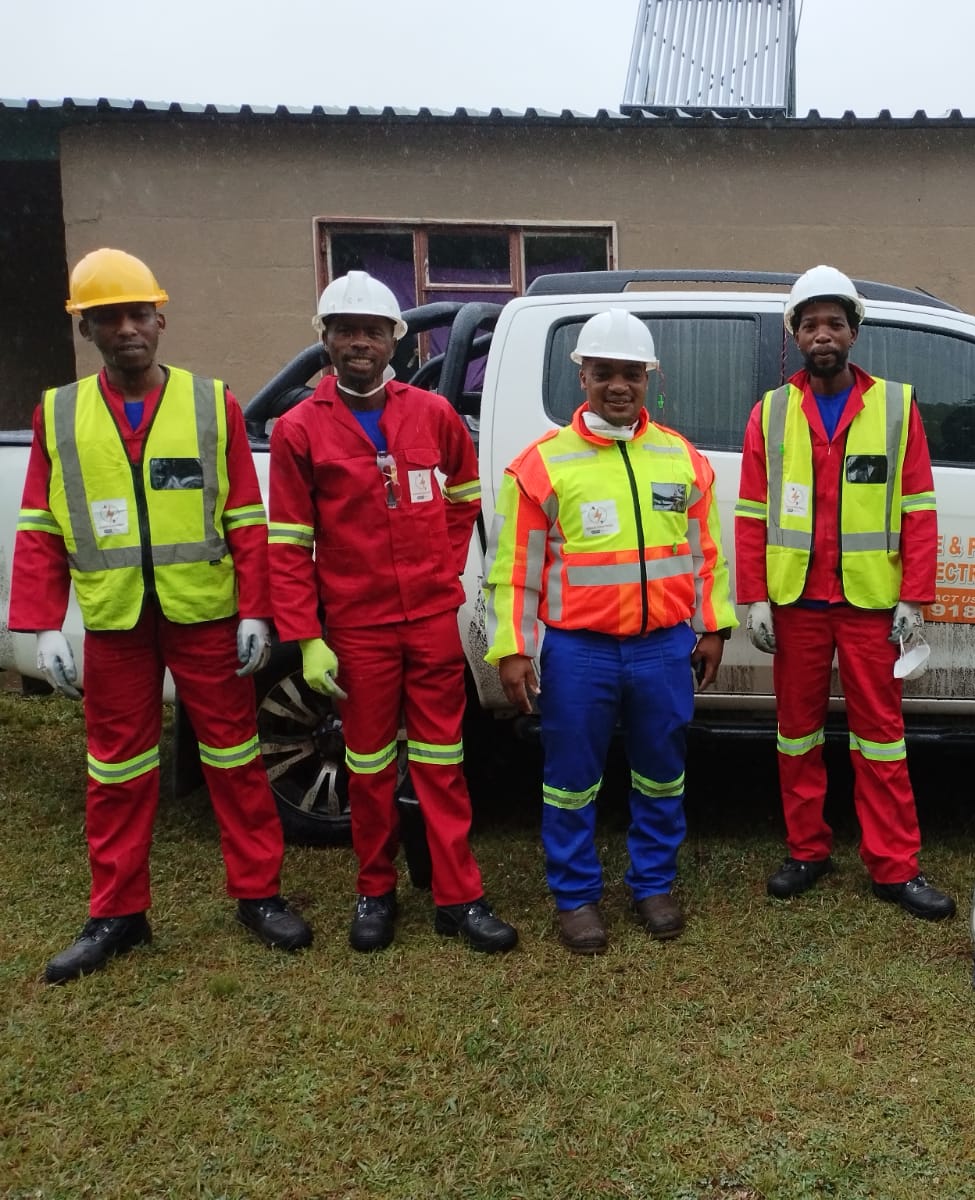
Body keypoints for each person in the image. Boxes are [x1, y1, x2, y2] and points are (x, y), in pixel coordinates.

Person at [10, 248, 312, 983]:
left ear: (160, 319)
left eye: (137, 314)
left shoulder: (213, 404)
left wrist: (256, 611)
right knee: (115, 771)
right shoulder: (58, 413)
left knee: (234, 760)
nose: (126, 329)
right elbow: (40, 526)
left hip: (204, 617)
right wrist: (44, 624)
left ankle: (259, 894)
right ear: (85, 329)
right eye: (107, 317)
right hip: (115, 624)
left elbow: (246, 516)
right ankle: (118, 913)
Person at [267, 271, 517, 955]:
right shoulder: (299, 430)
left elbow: (464, 494)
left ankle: (458, 897)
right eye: (346, 331)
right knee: (370, 768)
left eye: (373, 332)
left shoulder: (432, 414)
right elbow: (287, 544)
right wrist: (306, 637)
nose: (360, 343)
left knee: (442, 762)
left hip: (431, 619)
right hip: (357, 627)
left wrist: (442, 563)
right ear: (325, 340)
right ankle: (374, 891)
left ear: (396, 341)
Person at [483, 309, 735, 954]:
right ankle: (576, 898)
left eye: (631, 373)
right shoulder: (541, 465)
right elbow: (513, 570)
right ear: (583, 377)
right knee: (570, 780)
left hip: (663, 648)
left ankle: (653, 885)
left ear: (649, 378)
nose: (618, 385)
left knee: (662, 774)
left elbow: (705, 555)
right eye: (604, 373)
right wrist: (513, 649)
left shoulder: (681, 458)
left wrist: (712, 628)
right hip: (580, 651)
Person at [735, 265, 954, 921]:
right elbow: (751, 512)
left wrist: (914, 597)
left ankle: (894, 866)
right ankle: (807, 851)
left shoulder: (896, 407)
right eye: (810, 324)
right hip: (796, 605)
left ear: (855, 332)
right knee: (796, 736)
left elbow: (919, 509)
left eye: (834, 322)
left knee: (881, 740)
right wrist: (754, 597)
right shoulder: (771, 412)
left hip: (870, 606)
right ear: (795, 336)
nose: (822, 334)